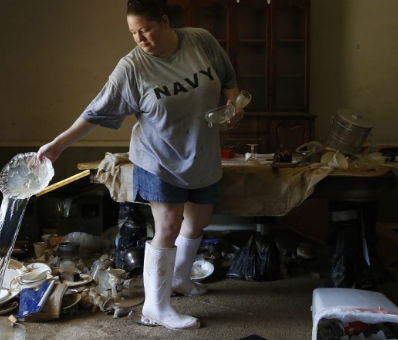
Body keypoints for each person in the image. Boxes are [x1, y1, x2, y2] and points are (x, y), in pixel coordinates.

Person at [37, 0, 243, 330]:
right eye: (133, 33)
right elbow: (94, 113)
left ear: (164, 21)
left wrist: (232, 104)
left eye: (144, 30)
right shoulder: (132, 68)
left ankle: (178, 280)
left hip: (202, 151)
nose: (139, 39)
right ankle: (155, 308)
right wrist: (58, 145)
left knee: (199, 220)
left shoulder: (200, 41)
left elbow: (229, 79)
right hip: (157, 156)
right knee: (169, 224)